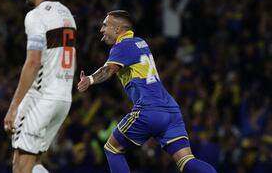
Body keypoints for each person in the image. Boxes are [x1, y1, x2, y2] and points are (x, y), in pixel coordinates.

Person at [78, 10, 217, 173]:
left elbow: (108, 70)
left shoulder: (123, 45)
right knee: (186, 160)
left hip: (149, 110)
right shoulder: (140, 43)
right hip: (171, 111)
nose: (101, 29)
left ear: (117, 29)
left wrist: (90, 79)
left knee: (112, 149)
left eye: (105, 25)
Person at [3, 0, 77, 172]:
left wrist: (14, 106)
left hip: (42, 98)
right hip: (63, 98)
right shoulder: (67, 14)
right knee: (34, 163)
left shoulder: (36, 15)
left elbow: (34, 62)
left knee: (20, 167)